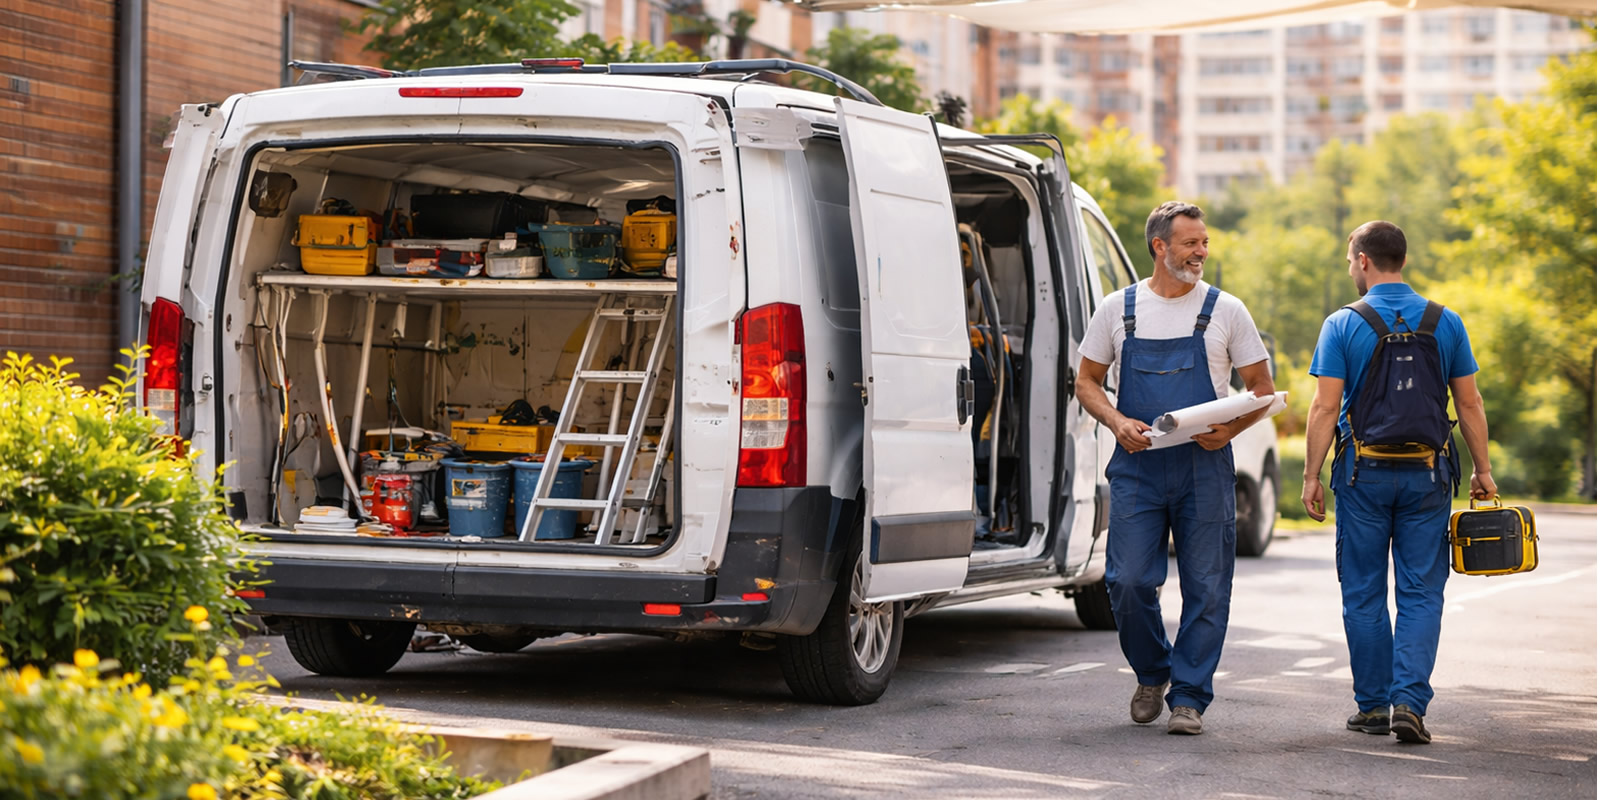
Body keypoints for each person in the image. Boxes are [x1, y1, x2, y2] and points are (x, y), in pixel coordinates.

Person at [1076, 201, 1275, 735]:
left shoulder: (1227, 310)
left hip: (1203, 468)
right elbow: (1087, 381)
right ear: (1160, 247)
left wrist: (1229, 431)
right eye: (1191, 243)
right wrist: (1116, 422)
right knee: (1127, 581)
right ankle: (1153, 670)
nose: (1202, 252)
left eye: (1205, 242)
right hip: (1138, 467)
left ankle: (1188, 697)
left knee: (1208, 587)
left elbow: (1262, 391)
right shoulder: (1117, 310)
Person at [1301, 221, 1494, 745]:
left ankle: (1372, 707)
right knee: (1421, 591)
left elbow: (1323, 406)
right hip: (1428, 476)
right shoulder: (1446, 321)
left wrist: (1311, 475)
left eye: (1349, 260)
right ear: (1400, 259)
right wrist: (1482, 469)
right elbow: (1469, 403)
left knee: (1363, 591)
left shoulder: (1342, 324)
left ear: (1364, 260)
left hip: (1362, 475)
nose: (1349, 268)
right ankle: (1409, 701)